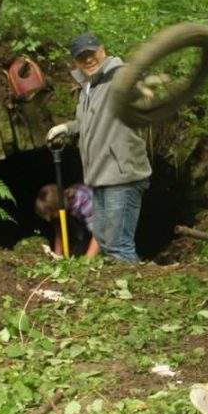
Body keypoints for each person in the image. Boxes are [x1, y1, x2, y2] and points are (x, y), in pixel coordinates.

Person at [46, 33, 150, 262]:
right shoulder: (88, 88)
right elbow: (88, 124)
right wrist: (68, 128)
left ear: (102, 50)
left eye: (90, 53)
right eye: (81, 57)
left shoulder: (119, 77)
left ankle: (130, 294)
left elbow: (137, 92)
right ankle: (121, 290)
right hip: (99, 177)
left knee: (118, 246)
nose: (87, 60)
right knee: (104, 239)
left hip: (122, 176)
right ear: (76, 62)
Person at [35, 183, 100, 258]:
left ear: (57, 207)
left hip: (105, 225)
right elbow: (59, 232)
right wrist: (57, 257)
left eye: (52, 215)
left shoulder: (83, 200)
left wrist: (87, 260)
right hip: (83, 226)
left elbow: (98, 233)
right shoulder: (62, 203)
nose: (49, 219)